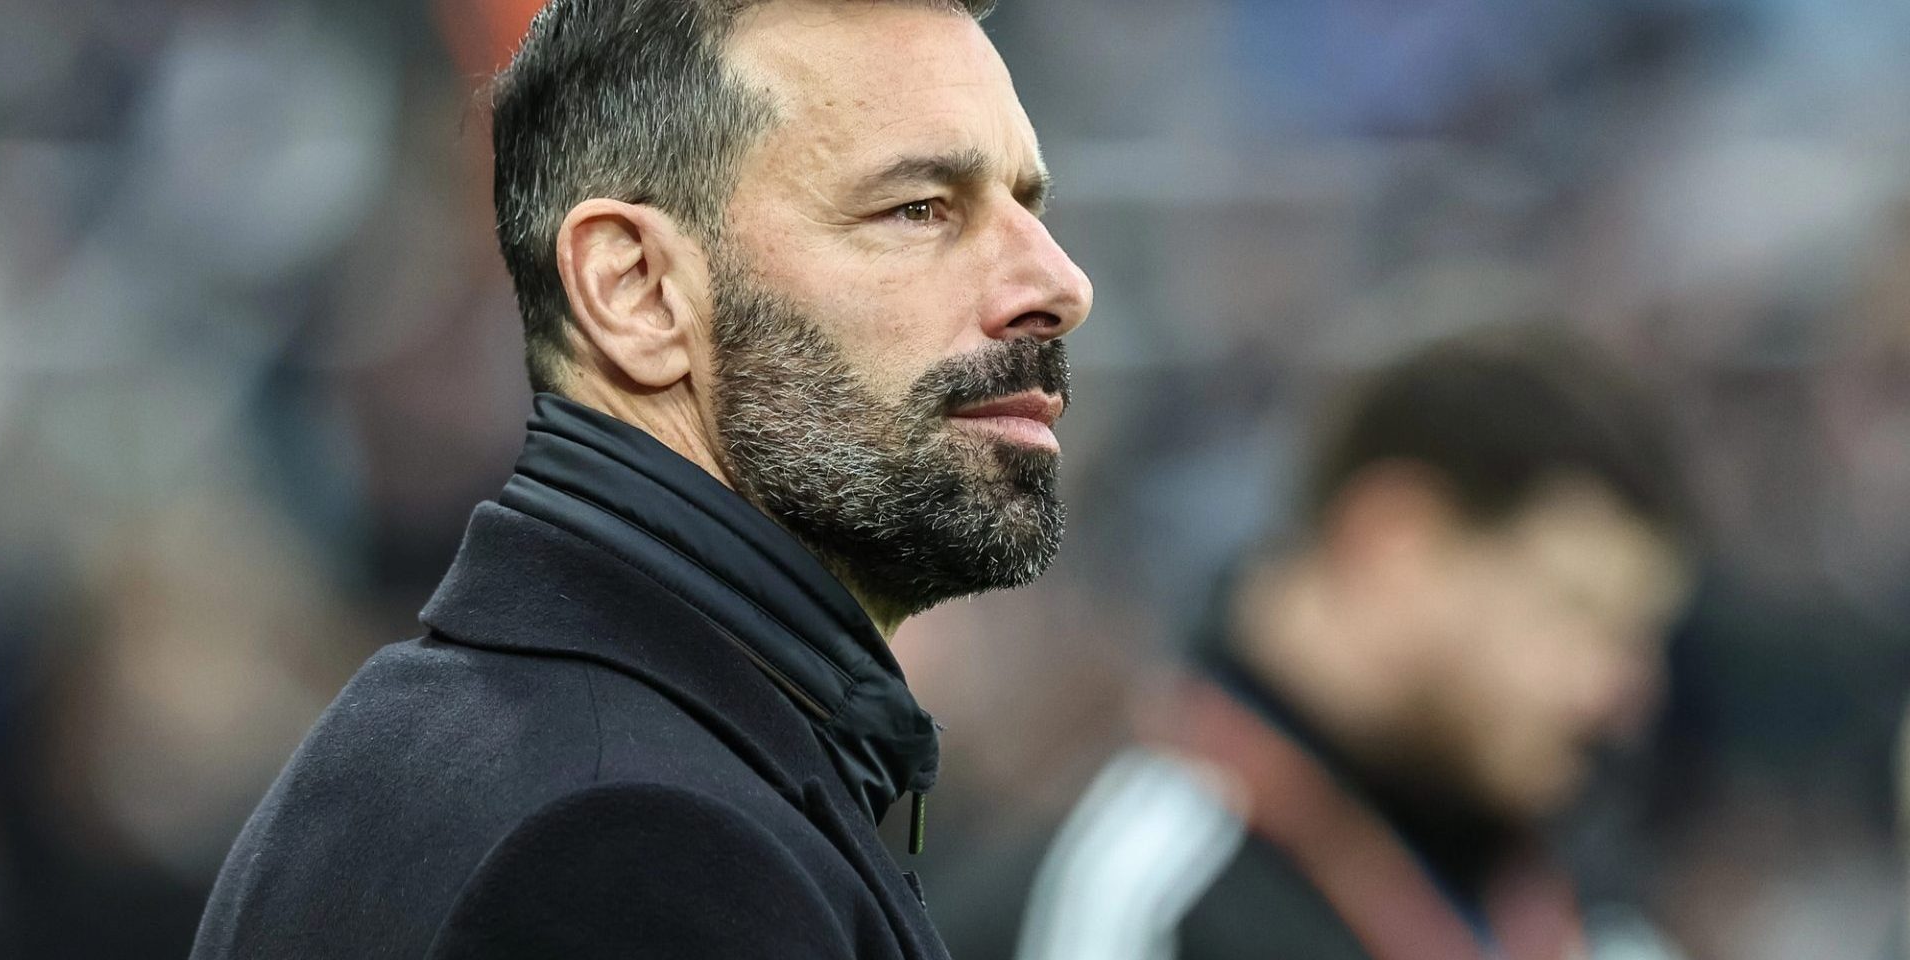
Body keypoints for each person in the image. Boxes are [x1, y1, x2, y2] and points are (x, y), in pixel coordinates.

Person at [191, 0, 1091, 956]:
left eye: (1026, 208)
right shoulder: (635, 849)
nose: (1060, 284)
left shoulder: (494, 750)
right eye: (918, 208)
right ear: (636, 291)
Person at [1018, 326, 1693, 960]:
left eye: (1641, 636)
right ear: (1394, 546)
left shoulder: (1590, 917)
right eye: (1578, 610)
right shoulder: (1144, 906)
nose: (1622, 693)